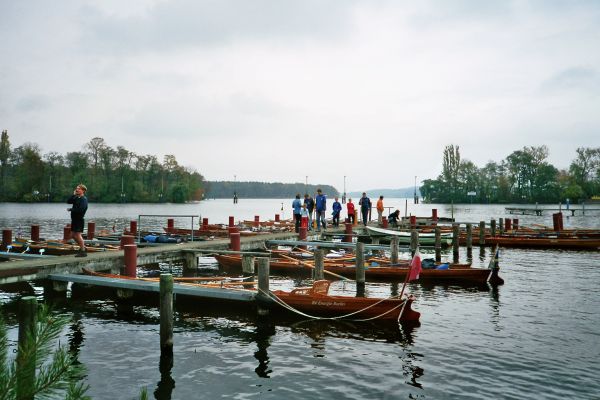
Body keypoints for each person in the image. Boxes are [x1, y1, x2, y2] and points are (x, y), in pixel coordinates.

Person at [67, 184, 88, 257]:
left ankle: (83, 252)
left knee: (78, 235)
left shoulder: (83, 199)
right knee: (73, 235)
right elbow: (68, 201)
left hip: (79, 220)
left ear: (83, 191)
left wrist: (71, 209)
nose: (77, 190)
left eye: (79, 189)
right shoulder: (76, 198)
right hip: (74, 220)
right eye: (76, 188)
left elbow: (80, 210)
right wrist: (73, 195)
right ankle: (83, 248)